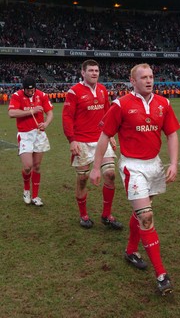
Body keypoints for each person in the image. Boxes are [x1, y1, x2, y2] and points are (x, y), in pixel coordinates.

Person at [90, 63, 180, 296]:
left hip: (154, 165)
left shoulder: (164, 103)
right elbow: (105, 136)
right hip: (132, 166)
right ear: (133, 81)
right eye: (143, 77)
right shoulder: (120, 105)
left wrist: (172, 161)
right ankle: (162, 275)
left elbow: (171, 134)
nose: (149, 81)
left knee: (142, 212)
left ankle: (131, 250)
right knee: (147, 216)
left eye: (151, 76)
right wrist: (96, 167)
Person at [62, 59, 122, 230]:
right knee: (82, 179)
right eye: (91, 70)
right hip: (81, 141)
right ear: (83, 72)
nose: (94, 73)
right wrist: (71, 139)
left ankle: (106, 215)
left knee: (110, 174)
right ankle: (83, 215)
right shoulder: (74, 92)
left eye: (96, 70)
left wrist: (110, 135)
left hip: (101, 138)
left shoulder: (103, 89)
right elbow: (67, 117)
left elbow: (107, 113)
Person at [8, 76, 53, 206]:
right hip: (25, 134)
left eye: (32, 90)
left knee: (37, 166)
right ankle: (26, 190)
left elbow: (49, 113)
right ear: (23, 89)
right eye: (27, 90)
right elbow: (11, 113)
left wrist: (46, 123)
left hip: (39, 134)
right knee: (28, 166)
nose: (30, 92)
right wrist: (31, 111)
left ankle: (35, 196)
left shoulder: (42, 95)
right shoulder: (16, 96)